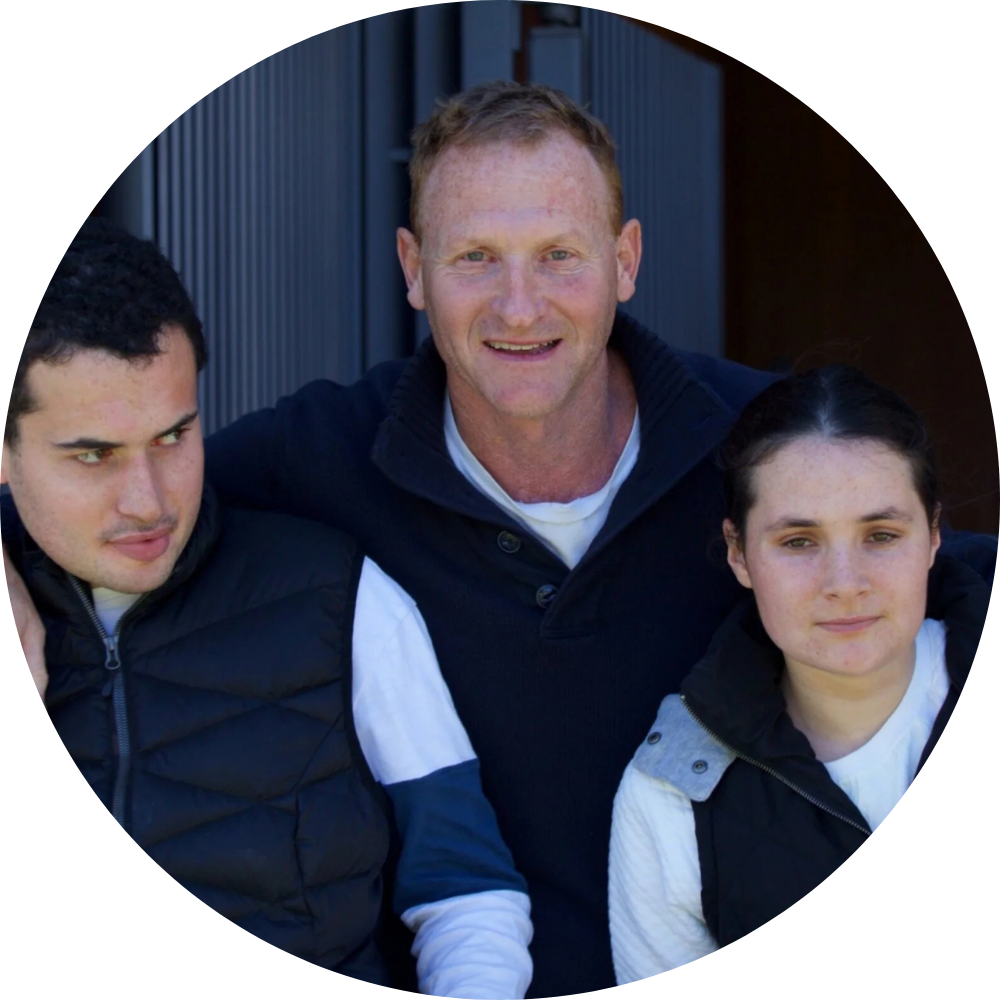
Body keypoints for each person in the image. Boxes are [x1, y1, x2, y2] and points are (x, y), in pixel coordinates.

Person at [196, 81, 994, 996]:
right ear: (413, 269)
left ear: (625, 260)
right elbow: (126, 515)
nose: (519, 307)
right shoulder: (317, 457)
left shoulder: (760, 445)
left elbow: (930, 570)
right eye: (476, 257)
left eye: (559, 256)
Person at [2, 217, 533, 997]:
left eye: (173, 436)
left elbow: (466, 889)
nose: (148, 501)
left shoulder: (339, 599)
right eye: (93, 455)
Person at [608, 365, 991, 980]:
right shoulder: (675, 792)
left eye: (881, 535)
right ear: (739, 553)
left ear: (933, 536)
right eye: (799, 542)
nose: (845, 583)